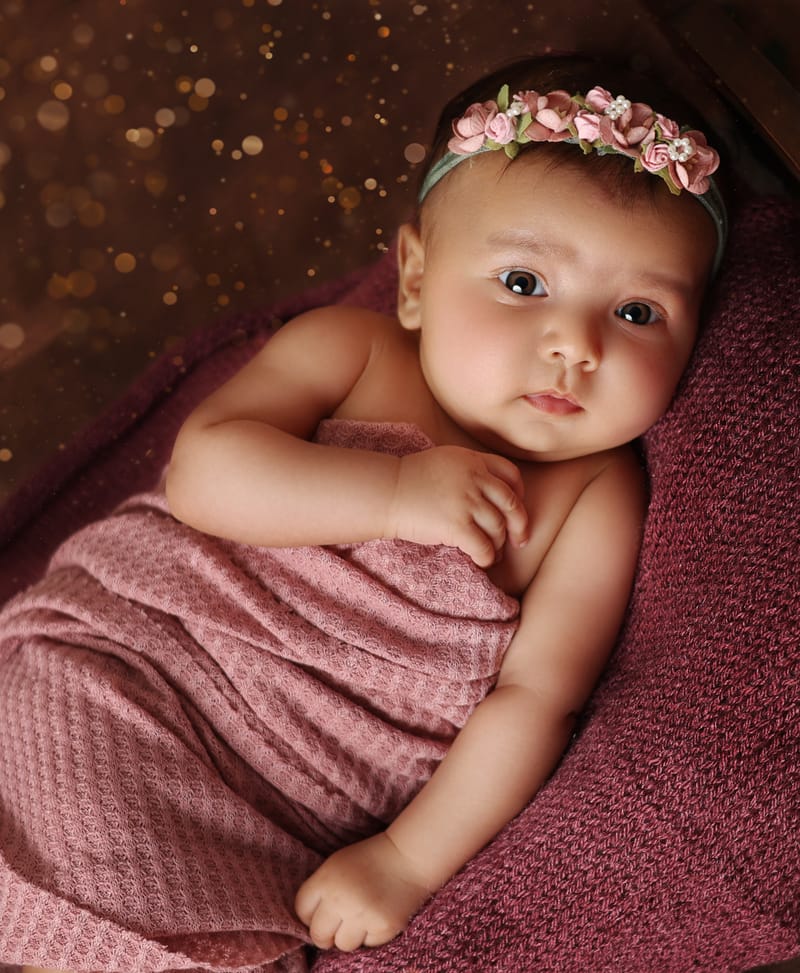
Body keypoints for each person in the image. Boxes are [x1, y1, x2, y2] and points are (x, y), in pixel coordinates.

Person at [11, 54, 727, 972]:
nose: (574, 345)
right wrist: (395, 495)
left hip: (285, 799)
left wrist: (406, 860)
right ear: (416, 279)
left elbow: (538, 699)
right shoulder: (353, 352)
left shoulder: (595, 493)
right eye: (523, 283)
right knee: (79, 819)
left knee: (199, 916)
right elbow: (204, 474)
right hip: (144, 667)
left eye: (637, 311)